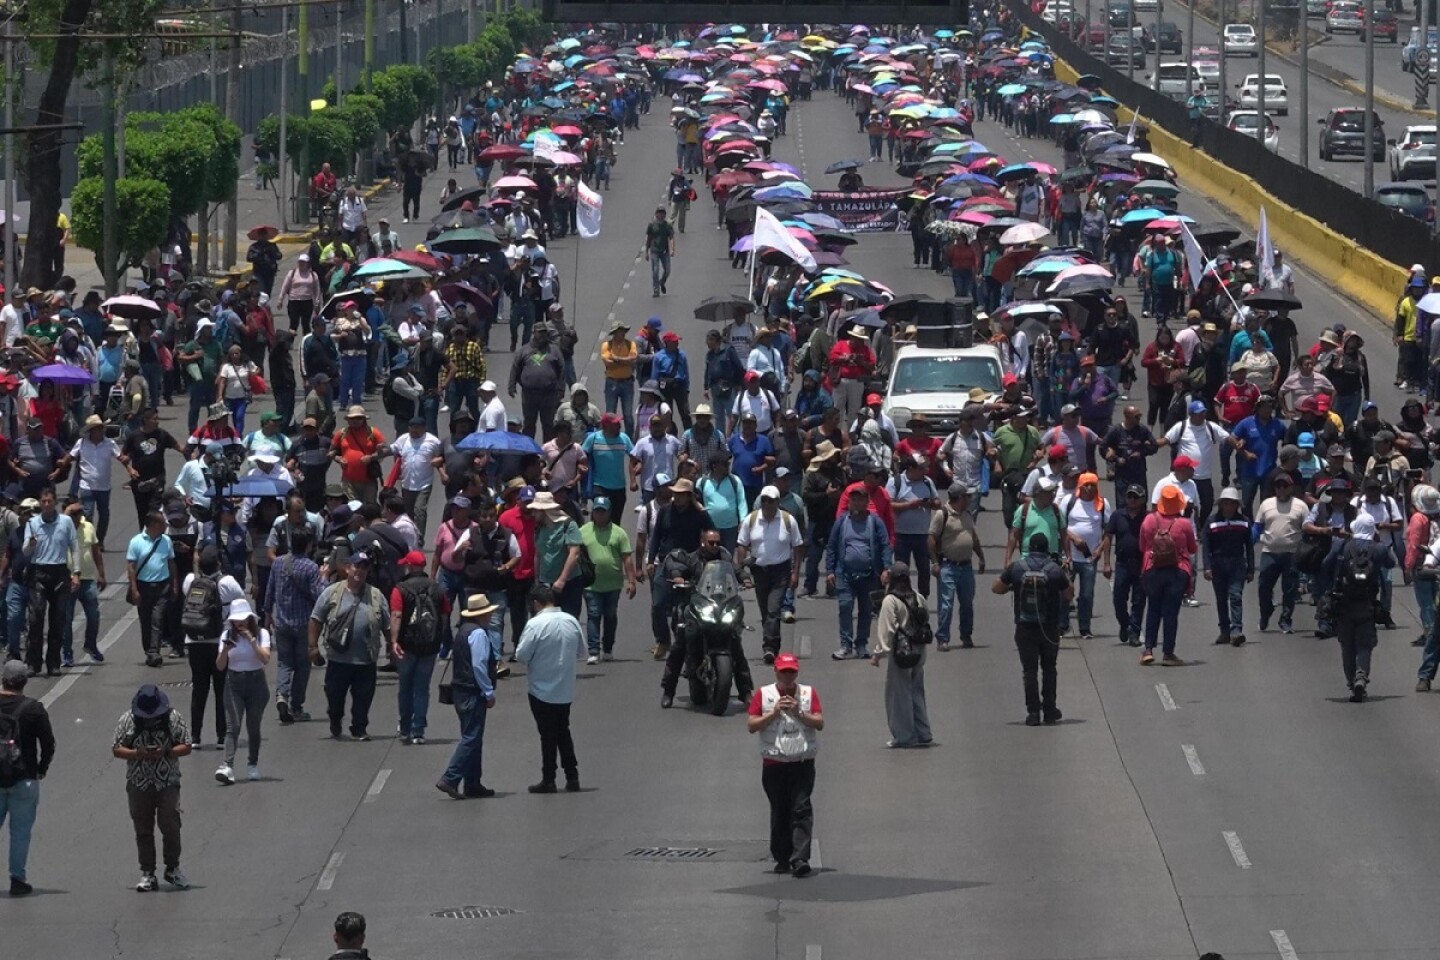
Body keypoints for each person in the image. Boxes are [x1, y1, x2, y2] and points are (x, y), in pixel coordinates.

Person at [747, 652, 822, 877]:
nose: (788, 677)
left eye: (792, 672)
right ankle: (782, 856)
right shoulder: (764, 694)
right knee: (780, 810)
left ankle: (800, 858)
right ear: (776, 672)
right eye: (784, 672)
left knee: (801, 807)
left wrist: (799, 712)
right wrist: (774, 712)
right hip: (774, 764)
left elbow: (819, 722)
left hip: (802, 762)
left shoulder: (808, 693)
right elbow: (752, 725)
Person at [111, 683, 193, 891]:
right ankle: (147, 872)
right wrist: (138, 754)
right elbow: (117, 748)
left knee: (171, 825)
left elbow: (186, 745)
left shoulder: (173, 718)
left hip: (167, 781)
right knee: (143, 828)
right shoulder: (127, 719)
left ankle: (172, 868)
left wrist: (166, 752)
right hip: (138, 782)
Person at [309, 549, 390, 741]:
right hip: (338, 660)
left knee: (363, 698)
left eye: (364, 568)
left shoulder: (376, 596)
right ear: (347, 568)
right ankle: (335, 719)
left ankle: (359, 728)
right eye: (356, 566)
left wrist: (392, 647)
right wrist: (313, 647)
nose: (360, 571)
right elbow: (316, 619)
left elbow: (386, 625)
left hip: (366, 660)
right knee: (334, 696)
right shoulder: (332, 593)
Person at [994, 533, 1071, 725]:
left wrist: (1012, 587)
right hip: (1049, 628)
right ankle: (1050, 709)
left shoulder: (1018, 568)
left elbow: (996, 588)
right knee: (1049, 669)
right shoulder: (1054, 569)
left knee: (1029, 671)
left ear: (1029, 548)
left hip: (1025, 627)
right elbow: (1069, 594)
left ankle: (1033, 712)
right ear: (1047, 549)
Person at [515, 583, 585, 794]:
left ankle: (549, 778)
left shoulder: (535, 624)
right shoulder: (571, 621)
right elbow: (581, 652)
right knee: (563, 730)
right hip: (565, 688)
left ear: (536, 603)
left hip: (541, 689)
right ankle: (572, 776)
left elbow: (521, 655)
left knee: (548, 735)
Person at [0, 659, 55, 896]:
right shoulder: (33, 708)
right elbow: (48, 744)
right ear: (24, 682)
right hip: (25, 777)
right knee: (20, 832)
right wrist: (41, 768)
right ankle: (18, 879)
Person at [1327, 513, 1395, 701]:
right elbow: (1392, 562)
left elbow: (1325, 565)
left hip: (1343, 603)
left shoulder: (1342, 545)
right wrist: (1379, 542)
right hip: (1366, 604)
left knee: (1347, 645)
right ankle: (1361, 678)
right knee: (1365, 644)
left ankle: (1352, 683)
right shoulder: (1378, 548)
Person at [436, 595, 498, 800]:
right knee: (471, 737)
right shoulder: (479, 634)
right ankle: (450, 778)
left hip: (461, 690)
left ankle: (473, 783)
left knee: (473, 736)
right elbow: (479, 665)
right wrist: (488, 692)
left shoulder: (463, 631)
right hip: (472, 692)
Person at [735, 485, 805, 664]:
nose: (767, 504)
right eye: (764, 500)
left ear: (777, 502)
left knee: (774, 611)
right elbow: (742, 544)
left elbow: (798, 547)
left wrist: (795, 573)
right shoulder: (751, 520)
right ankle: (774, 643)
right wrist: (742, 570)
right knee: (766, 613)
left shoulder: (788, 520)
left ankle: (769, 648)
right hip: (759, 571)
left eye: (771, 501)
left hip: (780, 572)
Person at [824, 487, 893, 660]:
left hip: (869, 575)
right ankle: (845, 645)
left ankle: (861, 644)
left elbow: (885, 545)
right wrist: (830, 571)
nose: (856, 502)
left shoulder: (875, 522)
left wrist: (886, 568)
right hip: (845, 575)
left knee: (866, 610)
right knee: (845, 607)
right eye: (853, 499)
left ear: (866, 502)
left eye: (860, 499)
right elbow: (831, 547)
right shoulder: (842, 522)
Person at [264, 528, 324, 725]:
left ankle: (282, 694)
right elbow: (319, 595)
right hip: (303, 624)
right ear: (307, 545)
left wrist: (267, 615)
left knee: (284, 662)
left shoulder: (279, 563)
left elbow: (270, 590)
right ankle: (296, 706)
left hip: (281, 621)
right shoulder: (310, 568)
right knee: (302, 666)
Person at [870, 562, 933, 747]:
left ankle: (905, 736)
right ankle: (923, 732)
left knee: (899, 695)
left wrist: (878, 654)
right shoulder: (919, 597)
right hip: (920, 651)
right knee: (917, 691)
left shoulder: (890, 601)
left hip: (902, 653)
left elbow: (887, 630)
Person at [390, 550, 445, 745]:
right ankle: (418, 730)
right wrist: (441, 639)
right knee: (422, 688)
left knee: (405, 687)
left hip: (407, 645)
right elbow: (445, 613)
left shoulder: (400, 589)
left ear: (411, 566)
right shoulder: (437, 588)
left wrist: (394, 641)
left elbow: (396, 615)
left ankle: (405, 728)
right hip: (429, 646)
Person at [21, 488, 77, 678]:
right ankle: (33, 662)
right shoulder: (33, 523)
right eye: (43, 501)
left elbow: (74, 547)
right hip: (39, 572)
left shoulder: (66, 522)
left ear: (54, 502)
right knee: (35, 619)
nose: (46, 504)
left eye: (49, 501)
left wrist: (76, 573)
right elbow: (26, 552)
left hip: (59, 572)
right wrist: (31, 543)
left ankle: (54, 663)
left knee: (58, 620)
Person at [1140, 485, 1199, 665]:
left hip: (1152, 569)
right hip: (1177, 570)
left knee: (1153, 609)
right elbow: (1192, 548)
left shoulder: (1149, 520)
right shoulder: (1184, 524)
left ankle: (1148, 649)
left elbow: (1142, 546)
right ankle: (1168, 653)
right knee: (1171, 613)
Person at [213, 598, 270, 784]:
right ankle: (227, 765)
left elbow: (265, 659)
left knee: (253, 727)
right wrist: (225, 651)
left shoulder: (262, 634)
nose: (240, 623)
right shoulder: (226, 635)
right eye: (236, 620)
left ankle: (252, 764)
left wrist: (251, 640)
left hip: (256, 683)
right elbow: (220, 666)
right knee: (233, 725)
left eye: (243, 620)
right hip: (234, 682)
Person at [578, 497, 635, 665]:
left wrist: (631, 582)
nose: (599, 515)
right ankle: (594, 650)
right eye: (597, 511)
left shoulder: (619, 533)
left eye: (603, 511)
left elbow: (627, 559)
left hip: (613, 584)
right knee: (593, 615)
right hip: (591, 584)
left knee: (610, 616)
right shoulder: (583, 531)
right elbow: (576, 555)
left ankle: (608, 648)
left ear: (609, 513)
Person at [928, 483, 984, 651]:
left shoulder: (967, 514)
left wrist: (981, 556)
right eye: (966, 496)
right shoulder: (942, 515)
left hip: (966, 566)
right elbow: (931, 539)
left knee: (967, 602)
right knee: (946, 604)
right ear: (959, 498)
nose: (969, 499)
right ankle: (943, 638)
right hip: (948, 566)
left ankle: (966, 634)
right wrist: (935, 562)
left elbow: (973, 537)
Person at [1204, 487, 1255, 646]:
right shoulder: (1212, 521)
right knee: (1221, 599)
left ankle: (1236, 630)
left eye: (1232, 503)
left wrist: (1251, 568)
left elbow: (1249, 546)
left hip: (1237, 564)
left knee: (1235, 596)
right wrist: (1207, 567)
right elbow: (1206, 546)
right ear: (1221, 504)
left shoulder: (1244, 521)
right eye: (1226, 503)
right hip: (1218, 564)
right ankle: (1224, 631)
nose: (1229, 506)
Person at [127, 510, 179, 668]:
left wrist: (175, 584)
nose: (165, 525)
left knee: (158, 619)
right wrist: (134, 589)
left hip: (162, 586)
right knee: (145, 620)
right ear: (153, 525)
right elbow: (131, 567)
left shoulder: (166, 541)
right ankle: (148, 650)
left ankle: (154, 651)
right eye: (162, 523)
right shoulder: (136, 542)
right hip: (143, 587)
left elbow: (171, 564)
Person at [645, 206, 676, 297]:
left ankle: (662, 282)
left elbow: (671, 238)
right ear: (656, 214)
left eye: (662, 213)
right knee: (655, 271)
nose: (661, 215)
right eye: (659, 212)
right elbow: (648, 239)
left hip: (664, 252)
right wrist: (646, 252)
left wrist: (672, 249)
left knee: (667, 271)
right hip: (654, 251)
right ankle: (656, 290)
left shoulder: (667, 226)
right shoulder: (651, 225)